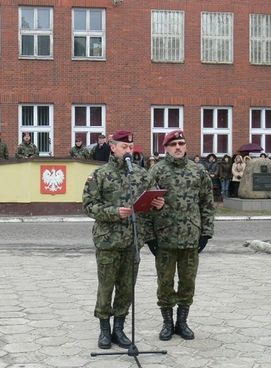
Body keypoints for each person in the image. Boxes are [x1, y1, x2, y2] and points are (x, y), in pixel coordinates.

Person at [82, 130, 164, 350]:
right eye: (124, 147)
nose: (128, 151)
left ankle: (119, 328)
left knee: (127, 288)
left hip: (132, 241)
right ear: (113, 147)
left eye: (131, 147)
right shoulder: (99, 175)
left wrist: (159, 205)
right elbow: (89, 206)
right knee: (106, 286)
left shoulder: (140, 174)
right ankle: (105, 330)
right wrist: (113, 212)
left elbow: (154, 197)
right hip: (108, 241)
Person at [147, 129, 214, 341]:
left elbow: (207, 204)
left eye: (181, 143)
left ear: (186, 146)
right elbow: (145, 206)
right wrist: (150, 237)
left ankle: (182, 322)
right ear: (165, 147)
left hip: (190, 238)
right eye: (173, 144)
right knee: (165, 283)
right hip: (164, 238)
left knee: (188, 282)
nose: (178, 147)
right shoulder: (156, 172)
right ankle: (167, 323)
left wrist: (205, 233)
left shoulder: (198, 171)